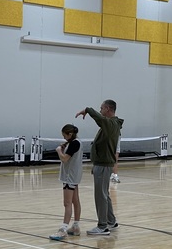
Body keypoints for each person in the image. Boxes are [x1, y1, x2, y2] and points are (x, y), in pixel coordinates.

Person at [76, 100, 122, 236]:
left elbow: (99, 118)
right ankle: (111, 221)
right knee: (104, 194)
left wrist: (88, 109)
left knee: (100, 195)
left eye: (101, 108)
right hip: (101, 164)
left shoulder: (111, 124)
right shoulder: (112, 124)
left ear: (108, 109)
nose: (100, 110)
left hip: (103, 165)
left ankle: (102, 226)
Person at [49, 124, 82, 240]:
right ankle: (76, 226)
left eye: (65, 136)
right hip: (74, 176)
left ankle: (63, 229)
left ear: (70, 134)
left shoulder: (74, 144)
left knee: (67, 203)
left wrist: (59, 151)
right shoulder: (76, 142)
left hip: (69, 176)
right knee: (75, 201)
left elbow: (64, 158)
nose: (64, 138)